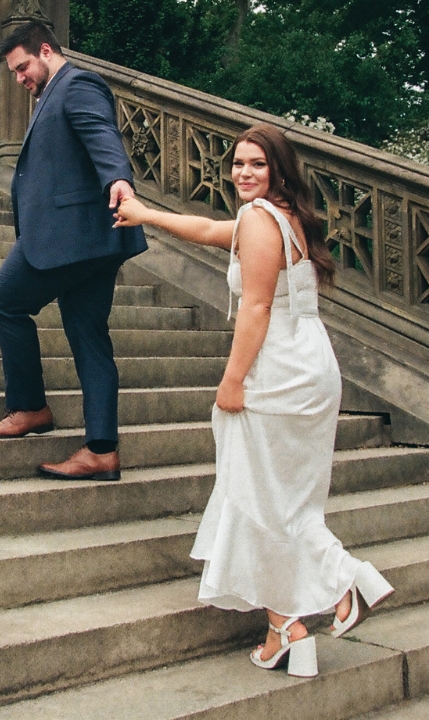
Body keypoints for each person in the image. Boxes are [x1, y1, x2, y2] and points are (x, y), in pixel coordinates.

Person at [113, 123, 393, 678]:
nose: (243, 172)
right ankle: (285, 630)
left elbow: (257, 309)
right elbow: (209, 228)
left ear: (279, 171)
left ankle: (346, 580)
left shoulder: (262, 220)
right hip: (307, 363)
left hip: (278, 370)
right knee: (268, 498)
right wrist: (145, 214)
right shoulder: (277, 218)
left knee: (261, 496)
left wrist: (233, 380)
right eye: (237, 163)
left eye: (256, 164)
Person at [0, 20, 146, 482]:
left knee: (2, 302)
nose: (19, 79)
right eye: (13, 72)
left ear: (47, 50)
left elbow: (103, 138)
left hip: (70, 236)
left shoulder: (79, 85)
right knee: (89, 335)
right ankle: (101, 449)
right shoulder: (50, 93)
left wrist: (119, 180)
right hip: (91, 240)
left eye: (23, 67)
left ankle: (30, 406)